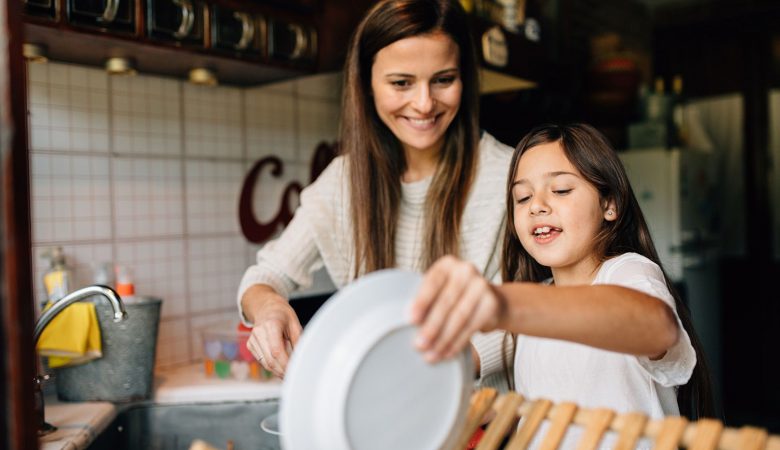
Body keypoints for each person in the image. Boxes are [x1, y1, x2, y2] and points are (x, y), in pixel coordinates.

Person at [237, 0, 514, 383]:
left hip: (488, 428)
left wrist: (450, 363)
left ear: (464, 79)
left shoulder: (510, 176)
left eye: (443, 79)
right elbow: (266, 275)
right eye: (401, 82)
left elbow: (542, 308)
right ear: (367, 84)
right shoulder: (342, 182)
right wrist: (268, 309)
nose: (423, 103)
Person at [410, 124, 715, 435]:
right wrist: (494, 413)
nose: (537, 206)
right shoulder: (537, 303)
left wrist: (502, 303)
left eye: (561, 190)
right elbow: (549, 410)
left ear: (610, 204)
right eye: (523, 197)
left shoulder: (626, 272)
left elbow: (656, 326)